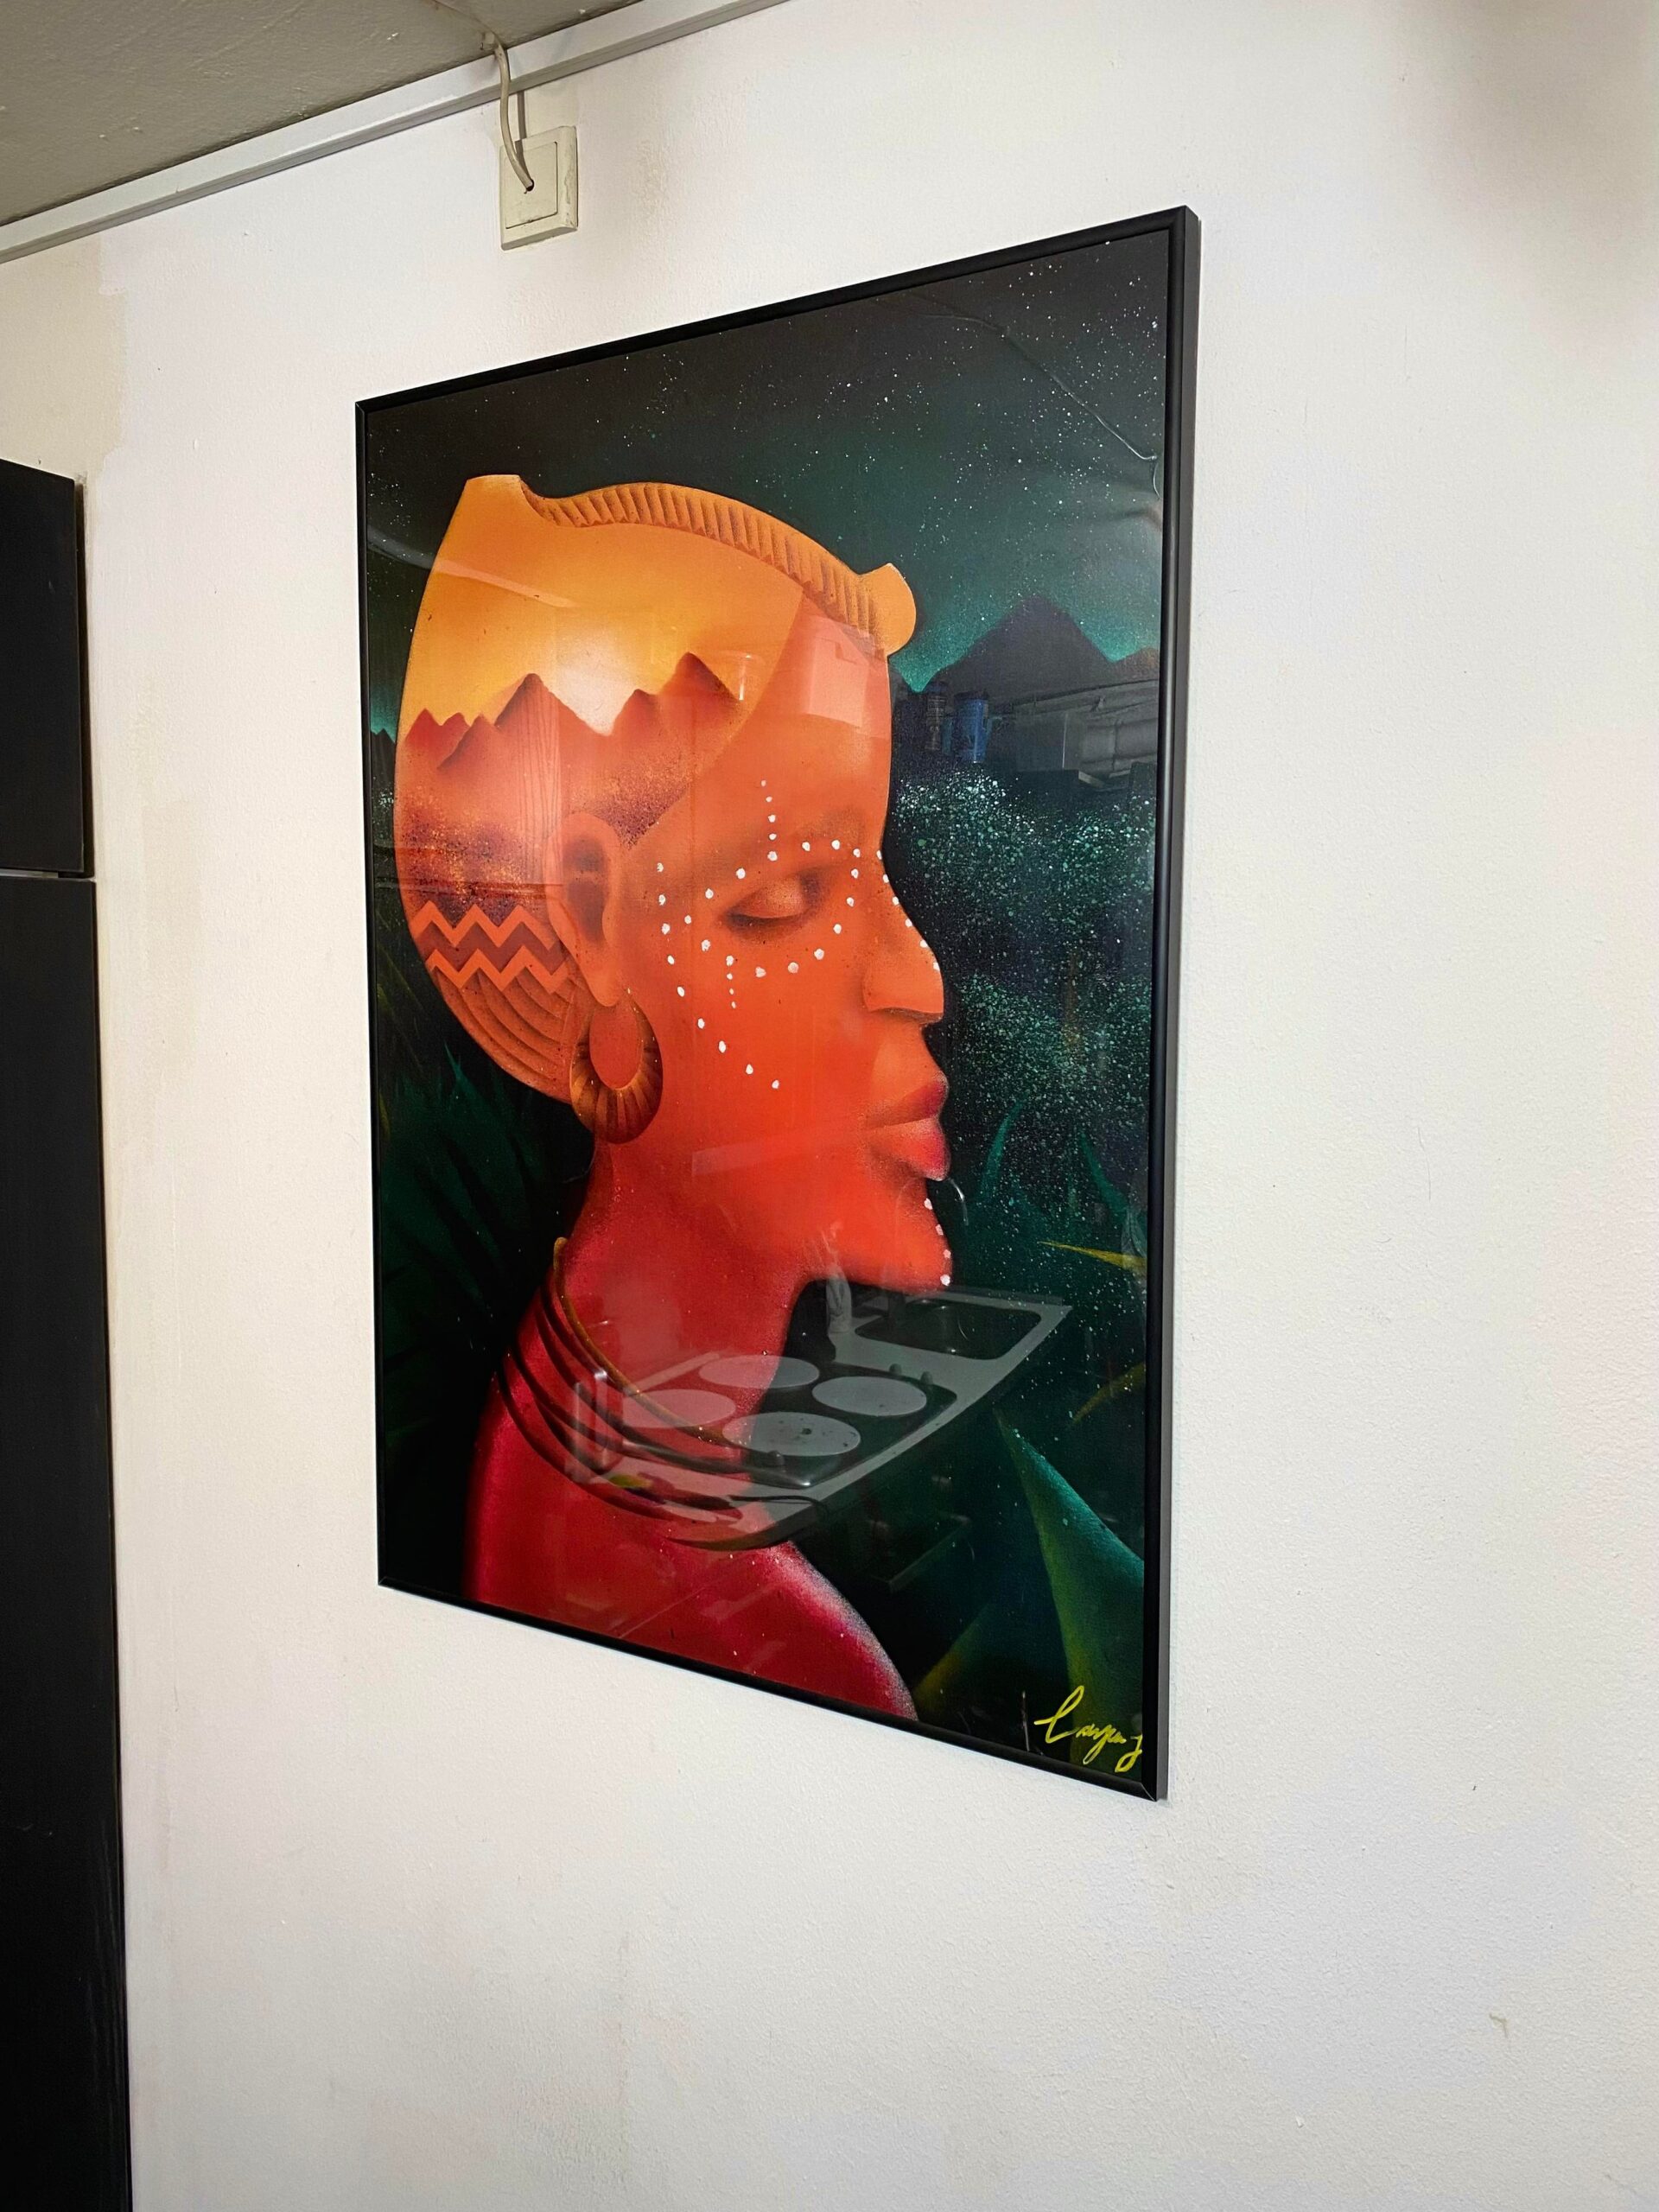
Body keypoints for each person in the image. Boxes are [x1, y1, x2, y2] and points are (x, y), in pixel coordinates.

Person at [394, 476, 954, 1715]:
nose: (918, 975)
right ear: (595, 926)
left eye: (875, 869)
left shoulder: (574, 1406)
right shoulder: (793, 1664)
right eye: (786, 895)